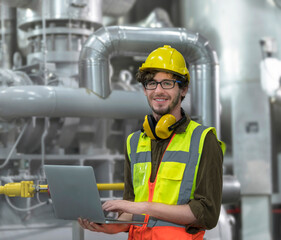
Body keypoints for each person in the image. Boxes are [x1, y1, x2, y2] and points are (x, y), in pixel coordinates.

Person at [78, 45, 225, 239]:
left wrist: (144, 207)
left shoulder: (204, 140)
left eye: (167, 83)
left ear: (183, 89)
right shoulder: (134, 142)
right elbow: (131, 209)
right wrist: (112, 227)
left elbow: (207, 214)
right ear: (145, 90)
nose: (158, 91)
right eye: (152, 83)